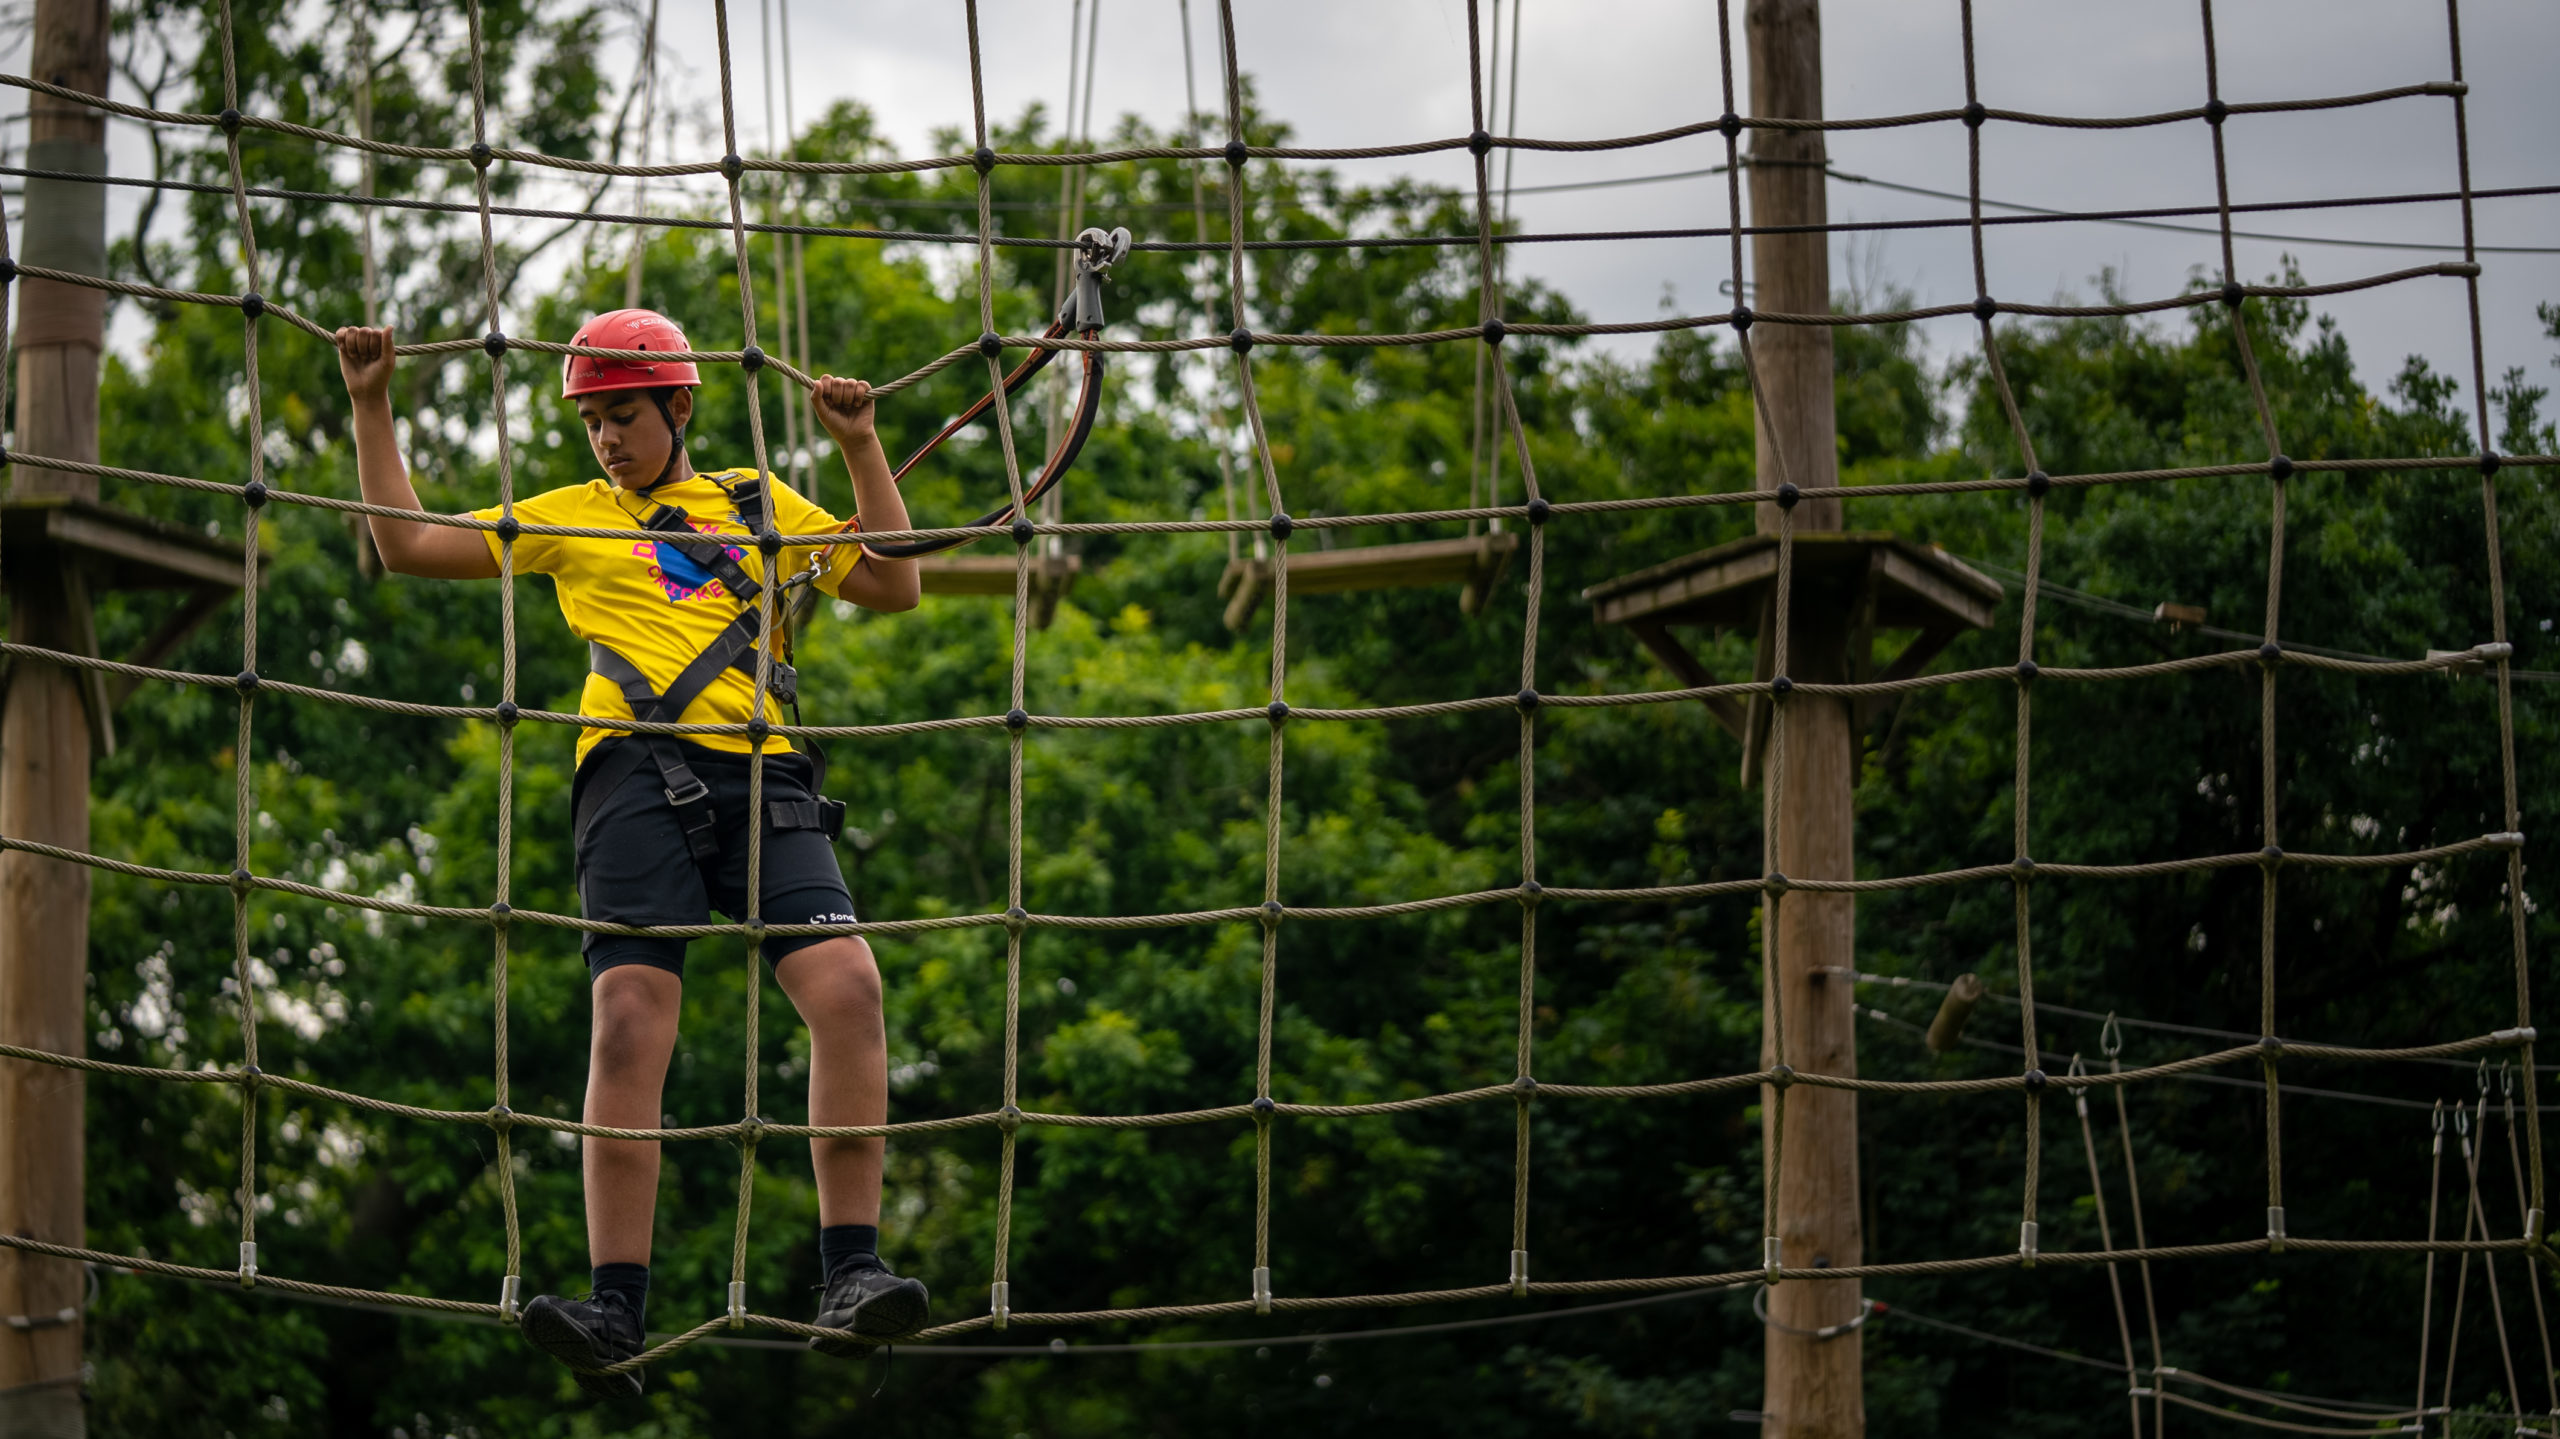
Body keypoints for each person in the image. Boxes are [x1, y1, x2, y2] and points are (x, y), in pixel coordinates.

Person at [334, 308, 927, 1398]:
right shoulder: (573, 515)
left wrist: (859, 445)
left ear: (679, 406)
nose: (608, 439)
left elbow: (895, 581)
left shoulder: (756, 503)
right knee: (629, 1018)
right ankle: (616, 1307)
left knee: (849, 989)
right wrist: (372, 404)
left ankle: (852, 1272)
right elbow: (407, 545)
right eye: (593, 421)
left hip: (765, 770)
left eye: (625, 416)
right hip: (632, 774)